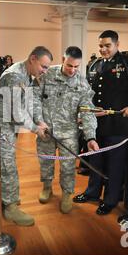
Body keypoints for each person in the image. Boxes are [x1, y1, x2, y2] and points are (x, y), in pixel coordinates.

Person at [73, 30, 128, 215]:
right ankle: (92, 192)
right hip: (97, 124)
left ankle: (110, 199)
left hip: (119, 125)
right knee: (95, 160)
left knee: (115, 163)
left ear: (117, 44)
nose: (103, 49)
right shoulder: (95, 64)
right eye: (101, 46)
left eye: (107, 46)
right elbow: (90, 94)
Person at [35, 46, 99, 214]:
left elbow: (87, 111)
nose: (73, 70)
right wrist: (38, 122)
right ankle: (47, 187)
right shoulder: (47, 74)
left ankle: (67, 194)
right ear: (63, 60)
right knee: (45, 162)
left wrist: (90, 137)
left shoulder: (82, 83)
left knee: (69, 167)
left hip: (69, 133)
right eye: (69, 65)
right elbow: (34, 98)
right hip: (46, 130)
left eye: (76, 66)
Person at [0, 46, 52, 226]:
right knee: (8, 166)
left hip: (9, 127)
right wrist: (35, 129)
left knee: (9, 164)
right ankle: (10, 207)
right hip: (1, 127)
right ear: (33, 59)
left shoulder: (28, 75)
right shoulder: (14, 76)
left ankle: (9, 197)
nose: (44, 71)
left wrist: (40, 121)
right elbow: (17, 113)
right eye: (43, 66)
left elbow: (32, 102)